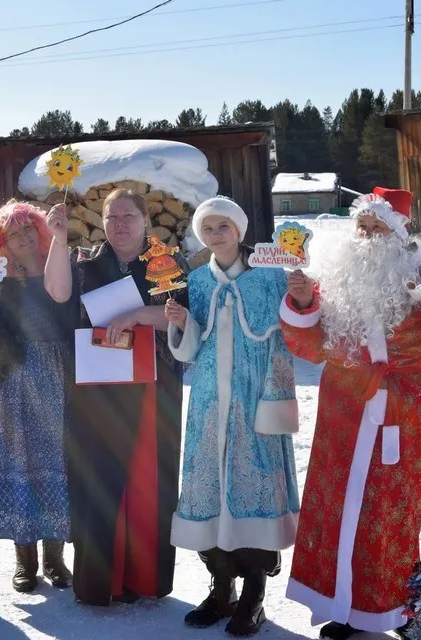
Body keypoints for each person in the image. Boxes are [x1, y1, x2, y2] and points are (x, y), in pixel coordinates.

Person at [278, 187, 421, 640]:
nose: (369, 234)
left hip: (403, 410)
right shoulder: (333, 279)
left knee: (392, 509)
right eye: (364, 225)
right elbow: (309, 347)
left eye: (380, 227)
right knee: (338, 506)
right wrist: (302, 304)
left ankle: (398, 607)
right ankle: (344, 606)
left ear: (400, 234)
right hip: (343, 410)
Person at [44, 188, 188, 606]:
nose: (120, 224)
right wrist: (57, 239)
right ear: (102, 222)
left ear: (146, 221)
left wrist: (138, 315)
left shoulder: (166, 263)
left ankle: (142, 578)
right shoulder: (85, 262)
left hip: (152, 389)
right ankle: (99, 580)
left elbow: (182, 317)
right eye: (112, 217)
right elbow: (58, 294)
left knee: (146, 482)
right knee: (96, 480)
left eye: (129, 216)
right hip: (97, 388)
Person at [164, 197, 300, 637]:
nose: (215, 235)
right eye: (207, 228)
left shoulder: (269, 276)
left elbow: (283, 342)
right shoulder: (199, 279)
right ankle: (221, 588)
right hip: (208, 403)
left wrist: (275, 399)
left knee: (251, 486)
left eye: (223, 226)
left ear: (239, 231)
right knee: (207, 491)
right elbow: (193, 347)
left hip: (252, 400)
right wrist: (183, 322)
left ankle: (253, 594)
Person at [0, 201, 74, 593]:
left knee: (55, 462)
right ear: (2, 244)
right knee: (19, 466)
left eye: (29, 228)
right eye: (13, 234)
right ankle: (24, 559)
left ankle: (54, 558)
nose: (23, 237)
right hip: (11, 382)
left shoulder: (60, 266)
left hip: (56, 378)